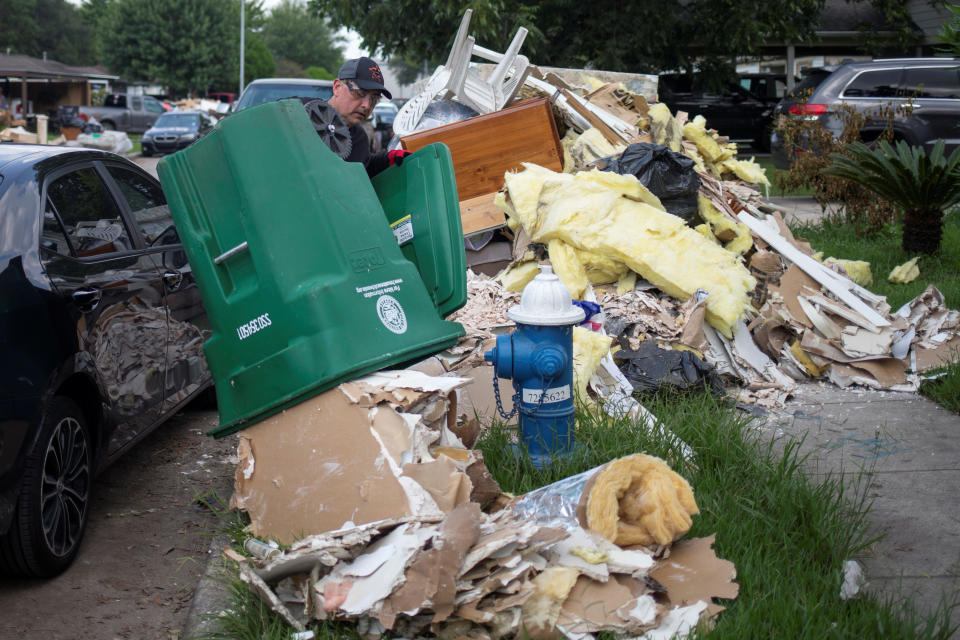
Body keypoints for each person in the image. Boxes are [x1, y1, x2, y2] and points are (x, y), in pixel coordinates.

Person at [327, 57, 409, 177]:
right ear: (337, 87)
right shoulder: (299, 113)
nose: (367, 105)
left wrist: (387, 159)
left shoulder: (358, 137)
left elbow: (363, 167)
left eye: (373, 99)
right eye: (360, 93)